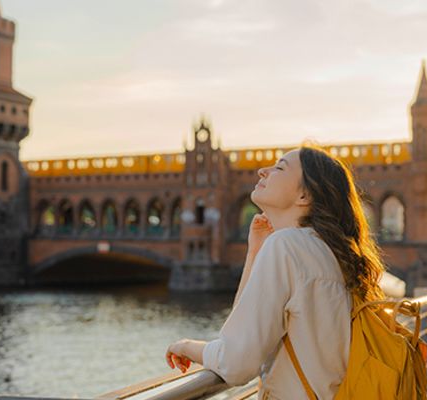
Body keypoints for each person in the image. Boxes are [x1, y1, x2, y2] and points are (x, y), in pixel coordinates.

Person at [165, 144, 387, 399]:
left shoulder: (286, 246)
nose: (262, 171)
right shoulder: (331, 252)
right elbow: (244, 329)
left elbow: (236, 363)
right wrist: (255, 252)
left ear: (304, 197)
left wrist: (185, 346)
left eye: (280, 167)